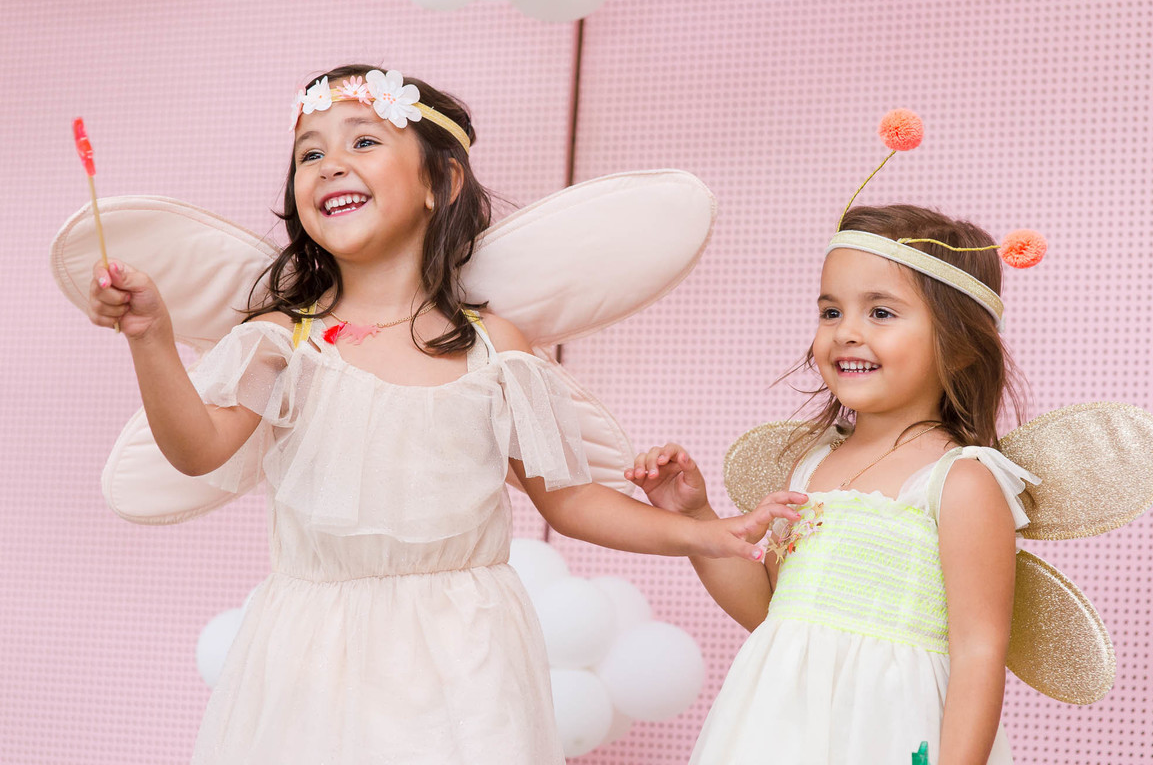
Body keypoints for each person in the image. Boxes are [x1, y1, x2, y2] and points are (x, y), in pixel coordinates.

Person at [81, 64, 799, 764]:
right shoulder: (283, 343)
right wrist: (151, 338)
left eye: (364, 141)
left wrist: (701, 534)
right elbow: (198, 450)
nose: (331, 165)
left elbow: (572, 501)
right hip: (315, 654)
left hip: (467, 655)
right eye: (309, 154)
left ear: (441, 181)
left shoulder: (493, 349)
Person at [626, 204, 1040, 764]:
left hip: (887, 731)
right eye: (830, 311)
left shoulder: (959, 481)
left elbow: (979, 651)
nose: (846, 332)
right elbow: (774, 611)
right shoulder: (813, 466)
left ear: (961, 344)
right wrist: (696, 518)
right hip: (780, 731)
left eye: (881, 313)